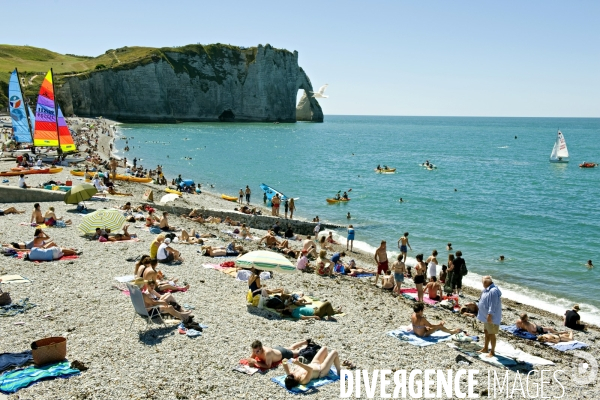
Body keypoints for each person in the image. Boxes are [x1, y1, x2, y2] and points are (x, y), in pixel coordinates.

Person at [477, 276, 502, 358]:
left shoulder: (493, 291)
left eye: (482, 283)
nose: (482, 284)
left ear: (485, 283)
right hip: (485, 316)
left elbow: (493, 305)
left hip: (491, 318)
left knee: (492, 334)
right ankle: (485, 348)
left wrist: (489, 315)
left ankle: (492, 351)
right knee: (486, 332)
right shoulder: (486, 289)